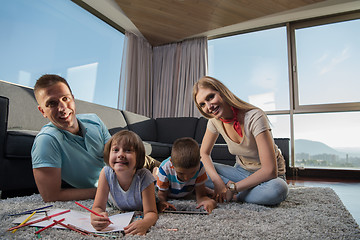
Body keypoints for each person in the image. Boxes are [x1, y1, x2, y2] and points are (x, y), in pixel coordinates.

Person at [31, 74, 159, 202]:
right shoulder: (46, 142)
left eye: (65, 98)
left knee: (170, 169)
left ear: (73, 99)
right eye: (52, 103)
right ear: (42, 111)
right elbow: (51, 196)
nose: (62, 108)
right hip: (113, 184)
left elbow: (115, 156)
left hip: (130, 169)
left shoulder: (94, 120)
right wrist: (107, 190)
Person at [192, 76, 288, 205]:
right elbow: (203, 153)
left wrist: (233, 188)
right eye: (202, 104)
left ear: (222, 92)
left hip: (268, 178)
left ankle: (235, 196)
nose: (209, 106)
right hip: (240, 172)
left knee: (278, 190)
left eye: (210, 97)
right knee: (196, 167)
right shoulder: (214, 122)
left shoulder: (255, 117)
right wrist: (219, 182)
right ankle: (237, 191)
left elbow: (270, 170)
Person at [91, 130, 158, 235]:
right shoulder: (105, 173)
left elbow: (151, 212)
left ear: (138, 157)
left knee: (157, 190)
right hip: (113, 204)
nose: (120, 154)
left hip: (145, 196)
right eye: (116, 150)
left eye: (128, 150)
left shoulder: (144, 176)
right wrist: (96, 216)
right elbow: (98, 207)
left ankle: (156, 173)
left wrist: (145, 223)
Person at [156, 137, 217, 213]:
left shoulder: (200, 167)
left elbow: (201, 196)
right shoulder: (165, 168)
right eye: (181, 173)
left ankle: (206, 189)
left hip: (188, 190)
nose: (186, 178)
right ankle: (155, 171)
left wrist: (209, 202)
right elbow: (161, 195)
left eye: (192, 172)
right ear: (172, 163)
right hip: (168, 189)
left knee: (205, 189)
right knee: (154, 182)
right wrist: (162, 202)